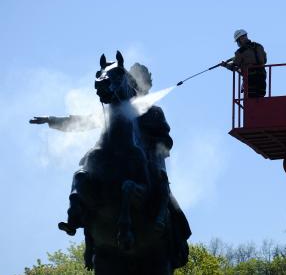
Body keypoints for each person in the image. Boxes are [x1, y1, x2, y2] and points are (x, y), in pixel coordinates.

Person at [29, 64, 191, 260]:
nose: (137, 87)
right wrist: (51, 120)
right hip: (115, 156)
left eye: (141, 84)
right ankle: (77, 217)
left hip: (148, 160)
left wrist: (150, 147)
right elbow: (82, 122)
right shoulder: (114, 111)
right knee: (88, 167)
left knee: (164, 190)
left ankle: (175, 237)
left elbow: (166, 139)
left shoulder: (154, 111)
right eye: (133, 82)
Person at [221, 29, 267, 98]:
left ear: (241, 39)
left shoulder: (240, 52)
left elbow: (234, 66)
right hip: (262, 77)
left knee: (251, 101)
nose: (238, 43)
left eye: (237, 41)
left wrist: (225, 65)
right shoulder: (259, 46)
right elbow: (264, 60)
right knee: (260, 98)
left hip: (250, 79)